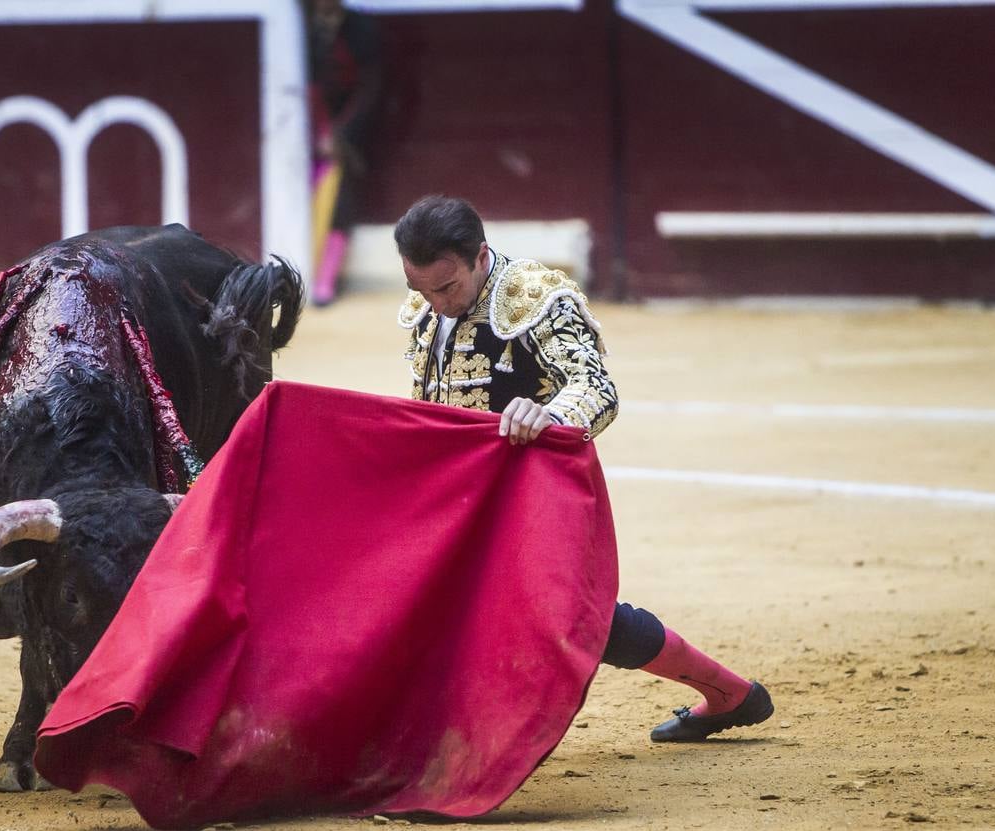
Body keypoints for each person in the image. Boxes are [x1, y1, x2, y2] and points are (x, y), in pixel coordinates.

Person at [394, 195, 774, 741]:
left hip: (530, 494)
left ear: (480, 257)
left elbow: (597, 390)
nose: (435, 304)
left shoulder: (537, 299)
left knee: (577, 619)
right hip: (459, 495)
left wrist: (547, 415)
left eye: (446, 288)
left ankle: (727, 693)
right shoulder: (430, 311)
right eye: (420, 290)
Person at [305, 0, 383, 306]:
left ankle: (325, 279)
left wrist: (341, 134)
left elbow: (369, 88)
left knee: (340, 197)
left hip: (344, 131)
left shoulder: (360, 29)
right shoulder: (300, 22)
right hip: (300, 126)